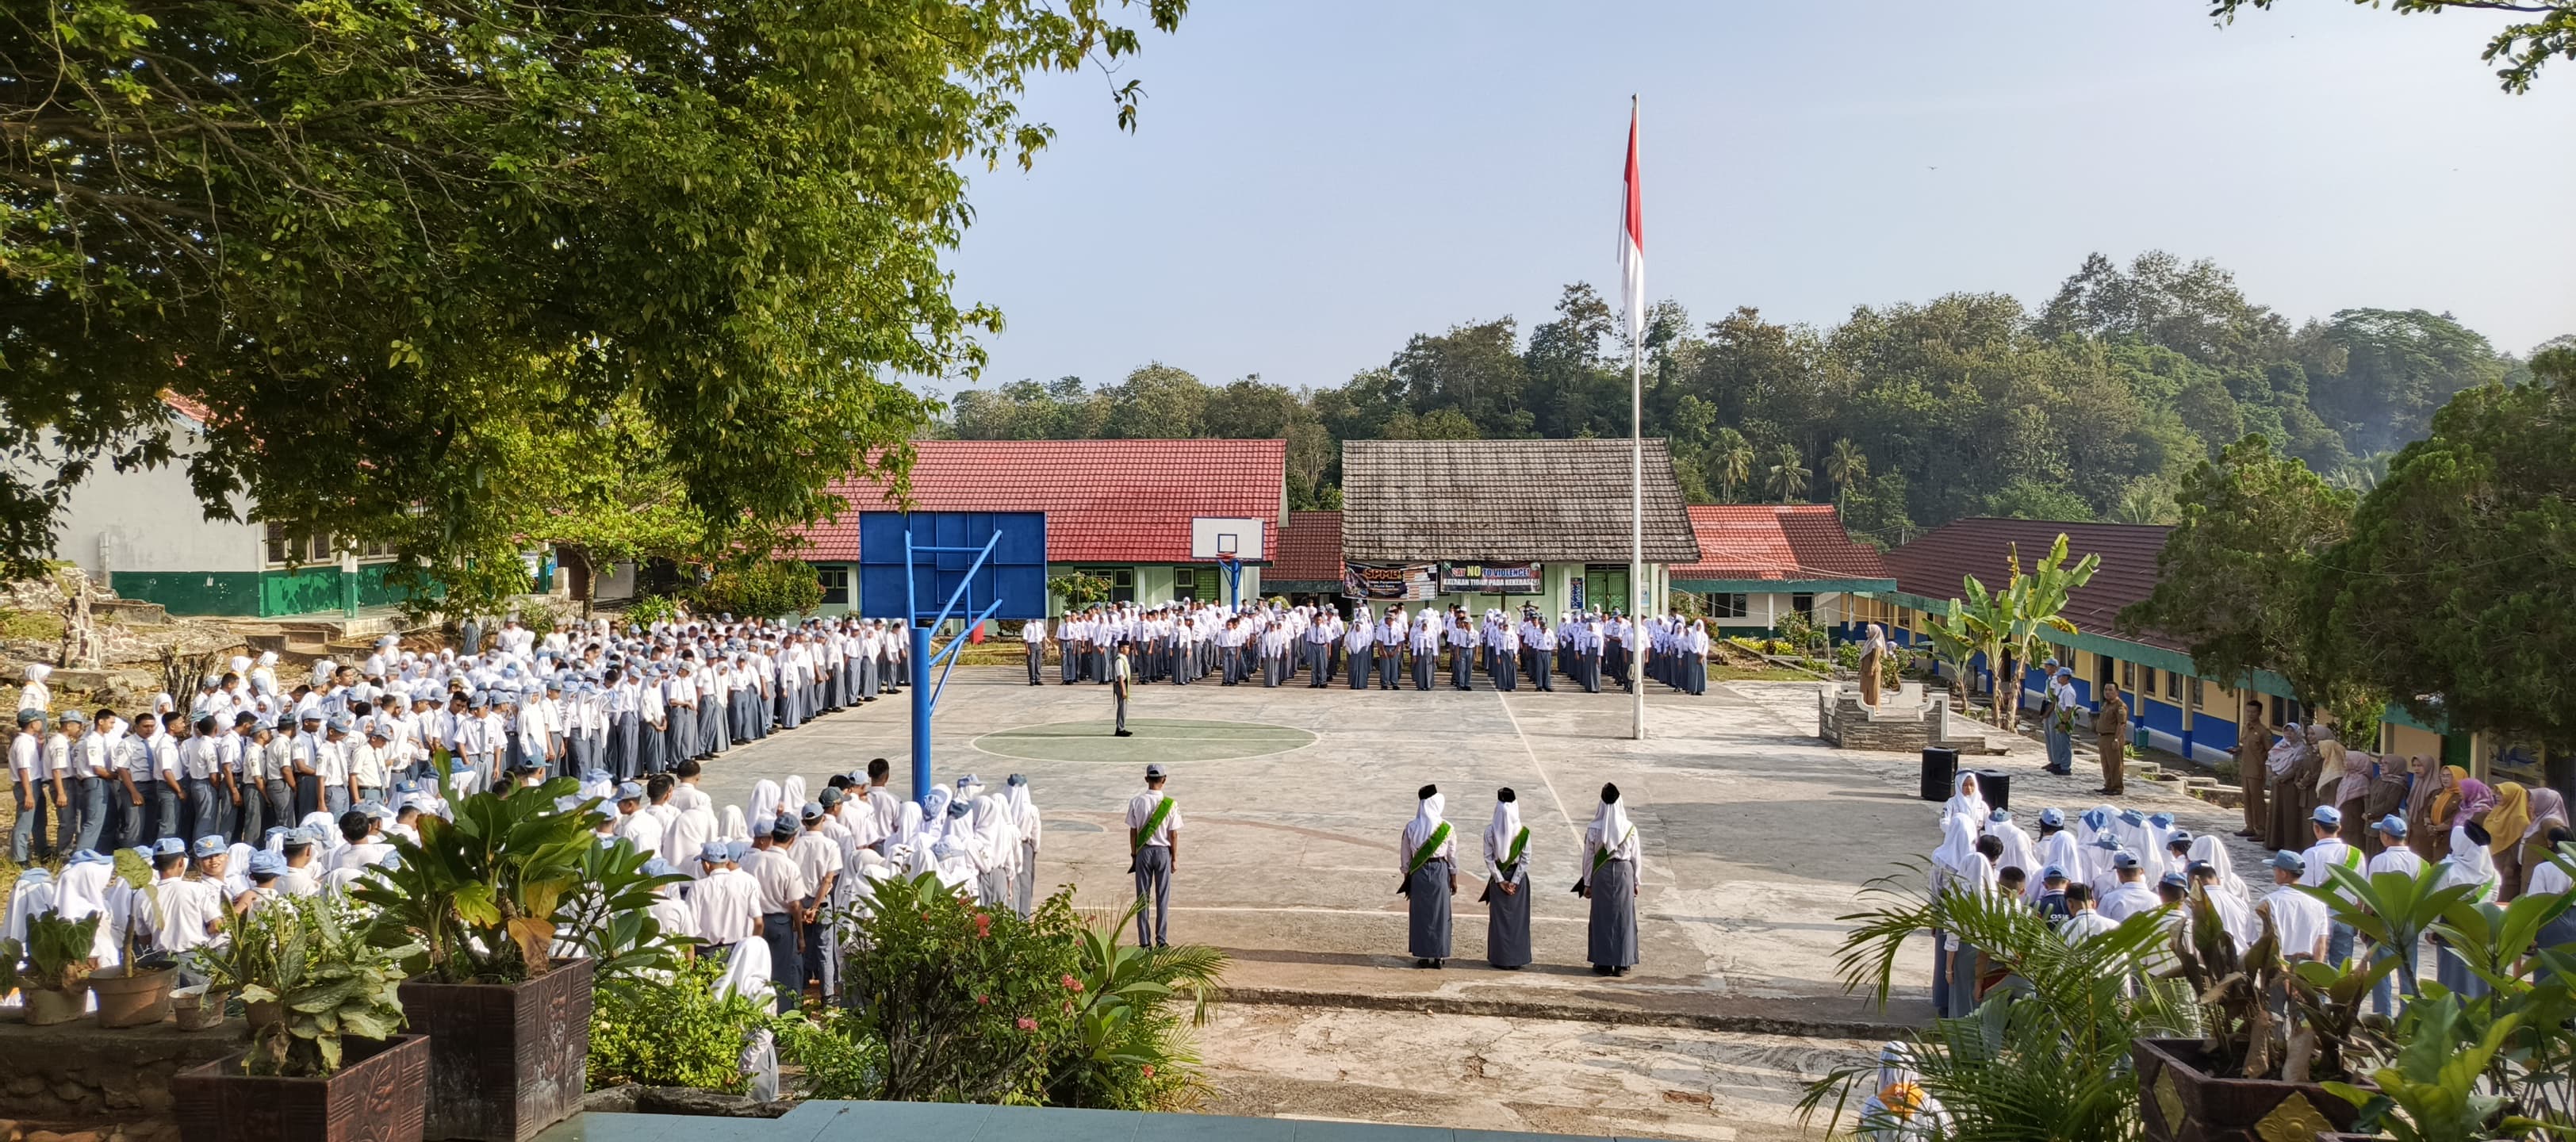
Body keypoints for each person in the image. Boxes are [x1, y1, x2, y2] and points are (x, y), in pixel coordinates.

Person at [741, 815, 809, 1014]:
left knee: (756, 971)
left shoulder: (751, 860)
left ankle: (754, 1013)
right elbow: (795, 904)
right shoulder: (788, 866)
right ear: (793, 838)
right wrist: (801, 935)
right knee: (779, 974)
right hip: (780, 923)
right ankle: (778, 1019)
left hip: (755, 921)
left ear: (772, 835)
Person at [2363, 815, 2426, 1014]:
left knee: (2381, 971)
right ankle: (2408, 1015)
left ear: (2385, 836)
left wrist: (2365, 923)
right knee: (2408, 970)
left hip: (2384, 919)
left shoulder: (2380, 860)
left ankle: (2382, 1015)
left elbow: (2372, 895)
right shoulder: (2419, 862)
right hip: (2409, 920)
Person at [1580, 783, 1641, 977]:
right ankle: (1623, 963)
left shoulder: (1593, 828)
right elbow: (1636, 857)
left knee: (1601, 916)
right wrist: (1636, 881)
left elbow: (1588, 859)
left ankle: (1603, 963)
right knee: (1624, 917)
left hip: (1601, 873)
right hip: (1624, 873)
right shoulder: (1630, 828)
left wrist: (1587, 883)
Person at [2433, 822, 2501, 998]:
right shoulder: (2492, 873)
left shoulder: (2446, 869)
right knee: (2477, 971)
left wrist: (2431, 928)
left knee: (2452, 971)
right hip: (2480, 928)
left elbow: (2436, 901)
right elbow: (2491, 900)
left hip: (2451, 927)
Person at [2299, 805, 2364, 966]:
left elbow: (2305, 891)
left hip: (2320, 915)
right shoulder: (2356, 854)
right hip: (2346, 915)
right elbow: (2362, 891)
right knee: (2342, 969)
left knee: (2318, 968)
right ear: (2339, 827)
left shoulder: (2310, 854)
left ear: (2316, 827)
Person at [1397, 784, 1455, 968]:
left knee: (1421, 914)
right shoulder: (1447, 828)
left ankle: (1422, 955)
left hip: (1419, 872)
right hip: (1440, 870)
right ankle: (1439, 955)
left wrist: (1407, 877)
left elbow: (1405, 855)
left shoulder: (1411, 826)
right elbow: (1453, 856)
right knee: (1440, 913)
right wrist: (1454, 878)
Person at [1127, 764, 1179, 948]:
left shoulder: (1136, 802)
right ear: (1164, 780)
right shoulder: (1171, 804)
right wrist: (1174, 858)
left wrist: (1134, 854)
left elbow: (1133, 831)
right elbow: (1173, 834)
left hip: (1143, 851)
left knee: (1142, 898)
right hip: (1163, 852)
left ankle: (1144, 942)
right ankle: (1161, 940)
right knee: (1162, 897)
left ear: (1146, 779)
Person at [1480, 787, 1531, 970]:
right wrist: (1515, 881)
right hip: (1518, 881)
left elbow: (1488, 858)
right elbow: (1526, 859)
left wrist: (1500, 880)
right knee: (1518, 921)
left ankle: (1500, 958)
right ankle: (1516, 959)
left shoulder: (1490, 832)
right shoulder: (1523, 832)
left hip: (1499, 881)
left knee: (1499, 921)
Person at [2260, 850, 2329, 964]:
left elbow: (2268, 939)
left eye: (2275, 869)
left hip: (2278, 961)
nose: (2274, 873)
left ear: (2283, 873)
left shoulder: (2269, 901)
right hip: (2307, 964)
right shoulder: (2319, 904)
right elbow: (2321, 944)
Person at [2235, 702, 2271, 840]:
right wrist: (2237, 749)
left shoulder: (2263, 732)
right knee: (2247, 799)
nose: (2250, 714)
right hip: (2245, 768)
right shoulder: (2245, 728)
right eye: (2248, 711)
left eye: (2253, 712)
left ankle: (2261, 830)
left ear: (2259, 713)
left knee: (2257, 800)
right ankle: (2249, 826)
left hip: (2257, 770)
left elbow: (2270, 751)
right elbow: (2245, 745)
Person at [2095, 852, 2158, 922]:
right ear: (2142, 871)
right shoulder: (2156, 900)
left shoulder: (2109, 899)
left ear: (2119, 873)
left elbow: (2101, 926)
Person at [2093, 684, 2129, 795]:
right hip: (2103, 737)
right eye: (2105, 690)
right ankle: (2108, 785)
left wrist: (2117, 740)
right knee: (2106, 763)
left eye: (2110, 690)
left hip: (2112, 737)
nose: (2107, 692)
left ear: (2117, 692)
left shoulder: (2120, 706)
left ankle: (2117, 787)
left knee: (2115, 763)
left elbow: (2121, 724)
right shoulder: (2106, 704)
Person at [1857, 624, 1886, 707]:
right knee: (1864, 689)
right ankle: (1864, 706)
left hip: (1872, 670)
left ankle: (1873, 707)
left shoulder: (1877, 644)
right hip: (1865, 669)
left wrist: (1872, 669)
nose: (1867, 632)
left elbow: (1876, 659)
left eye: (1869, 630)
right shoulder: (1869, 642)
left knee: (1873, 690)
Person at [1110, 642, 1133, 738]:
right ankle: (1120, 729)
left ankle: (1121, 726)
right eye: (1126, 647)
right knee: (1122, 707)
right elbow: (1120, 676)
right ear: (1121, 649)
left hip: (1124, 684)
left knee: (1124, 707)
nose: (1128, 649)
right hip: (1121, 685)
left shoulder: (1124, 658)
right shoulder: (1119, 660)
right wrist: (1123, 690)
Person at [1022, 618, 1047, 687]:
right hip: (1031, 644)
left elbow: (1043, 636)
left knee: (1039, 662)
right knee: (1031, 663)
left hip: (1039, 644)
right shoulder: (1027, 626)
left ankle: (1038, 679)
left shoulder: (1040, 625)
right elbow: (1025, 638)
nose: (1035, 618)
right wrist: (1027, 649)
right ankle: (1032, 679)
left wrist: (1044, 647)